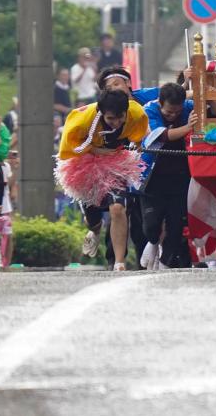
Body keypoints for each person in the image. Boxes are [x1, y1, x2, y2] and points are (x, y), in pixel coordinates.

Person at [59, 69, 150, 270]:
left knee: (118, 208)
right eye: (111, 119)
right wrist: (100, 151)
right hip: (86, 163)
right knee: (93, 218)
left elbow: (139, 135)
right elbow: (70, 148)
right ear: (102, 113)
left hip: (118, 164)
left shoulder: (136, 113)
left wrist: (135, 146)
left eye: (120, 118)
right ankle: (95, 228)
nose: (116, 123)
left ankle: (119, 262)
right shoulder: (82, 120)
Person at [140, 82, 195, 270]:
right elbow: (162, 136)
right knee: (151, 224)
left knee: (175, 225)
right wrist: (188, 127)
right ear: (160, 103)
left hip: (180, 176)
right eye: (168, 113)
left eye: (177, 112)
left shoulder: (187, 107)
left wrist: (204, 94)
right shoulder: (149, 110)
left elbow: (207, 106)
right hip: (153, 177)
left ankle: (165, 264)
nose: (173, 116)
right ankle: (153, 242)